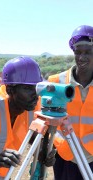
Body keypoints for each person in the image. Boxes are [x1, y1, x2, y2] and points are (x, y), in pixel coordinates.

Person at [48, 25, 93, 180]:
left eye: (88, 52)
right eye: (78, 52)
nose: (82, 57)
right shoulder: (56, 82)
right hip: (66, 155)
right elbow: (44, 121)